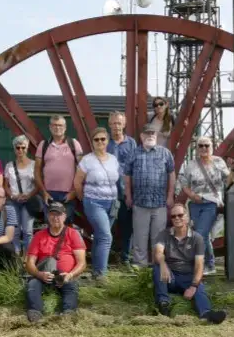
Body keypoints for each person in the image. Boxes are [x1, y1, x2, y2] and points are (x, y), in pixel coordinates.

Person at [152, 203, 227, 324]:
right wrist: (163, 264)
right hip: (169, 276)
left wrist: (193, 286)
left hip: (187, 276)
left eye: (180, 215)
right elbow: (158, 253)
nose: (177, 218)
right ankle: (163, 304)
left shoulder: (197, 238)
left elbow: (199, 265)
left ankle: (206, 314)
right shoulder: (164, 234)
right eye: (173, 216)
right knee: (157, 267)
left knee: (199, 287)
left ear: (187, 217)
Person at [177, 136, 231, 275]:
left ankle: (204, 264)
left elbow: (228, 180)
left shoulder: (219, 162)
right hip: (195, 203)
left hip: (211, 203)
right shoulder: (191, 164)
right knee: (202, 235)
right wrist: (192, 196)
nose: (204, 148)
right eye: (200, 145)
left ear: (212, 147)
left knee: (200, 234)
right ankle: (209, 264)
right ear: (197, 148)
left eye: (207, 145)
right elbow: (184, 184)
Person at [24, 202, 86, 323]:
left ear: (64, 216)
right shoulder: (39, 235)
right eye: (52, 214)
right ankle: (35, 313)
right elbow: (29, 262)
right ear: (48, 216)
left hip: (65, 276)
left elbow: (82, 263)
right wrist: (39, 274)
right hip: (43, 275)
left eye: (58, 214)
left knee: (71, 287)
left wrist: (70, 275)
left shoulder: (73, 233)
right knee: (32, 285)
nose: (55, 217)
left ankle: (68, 313)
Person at [124, 124, 176, 268]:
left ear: (157, 135)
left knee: (158, 237)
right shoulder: (133, 153)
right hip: (139, 202)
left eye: (152, 133)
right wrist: (128, 195)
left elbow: (171, 175)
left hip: (160, 203)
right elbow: (127, 176)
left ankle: (157, 265)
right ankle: (139, 265)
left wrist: (170, 195)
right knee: (140, 236)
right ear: (141, 136)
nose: (150, 136)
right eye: (147, 133)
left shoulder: (165, 153)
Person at [73, 127, 120, 282]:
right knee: (106, 236)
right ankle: (101, 275)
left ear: (107, 141)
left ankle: (95, 272)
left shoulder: (113, 159)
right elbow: (77, 183)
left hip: (112, 203)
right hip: (94, 202)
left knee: (100, 237)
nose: (100, 142)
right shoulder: (87, 160)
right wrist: (84, 198)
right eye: (96, 139)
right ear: (92, 142)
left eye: (103, 139)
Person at [35, 115, 83, 224]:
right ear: (50, 127)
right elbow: (36, 171)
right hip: (49, 194)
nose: (57, 128)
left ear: (65, 127)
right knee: (50, 225)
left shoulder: (74, 143)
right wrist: (43, 192)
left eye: (60, 125)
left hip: (68, 194)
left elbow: (83, 169)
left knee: (65, 225)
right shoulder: (43, 145)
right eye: (54, 125)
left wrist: (75, 192)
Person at [106, 111, 138, 269]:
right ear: (109, 124)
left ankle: (125, 257)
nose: (116, 126)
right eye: (113, 123)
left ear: (124, 125)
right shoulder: (105, 142)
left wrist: (131, 192)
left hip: (125, 193)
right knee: (107, 227)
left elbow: (135, 167)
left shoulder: (131, 143)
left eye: (119, 123)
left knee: (127, 227)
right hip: (108, 192)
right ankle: (107, 257)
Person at [4, 135, 39, 255]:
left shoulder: (34, 165)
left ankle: (28, 257)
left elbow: (38, 185)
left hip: (28, 201)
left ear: (27, 148)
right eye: (17, 148)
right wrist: (12, 196)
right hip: (13, 201)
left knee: (28, 230)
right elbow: (6, 185)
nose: (20, 150)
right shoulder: (9, 165)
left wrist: (28, 195)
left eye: (23, 147)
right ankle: (16, 255)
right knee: (15, 230)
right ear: (14, 149)